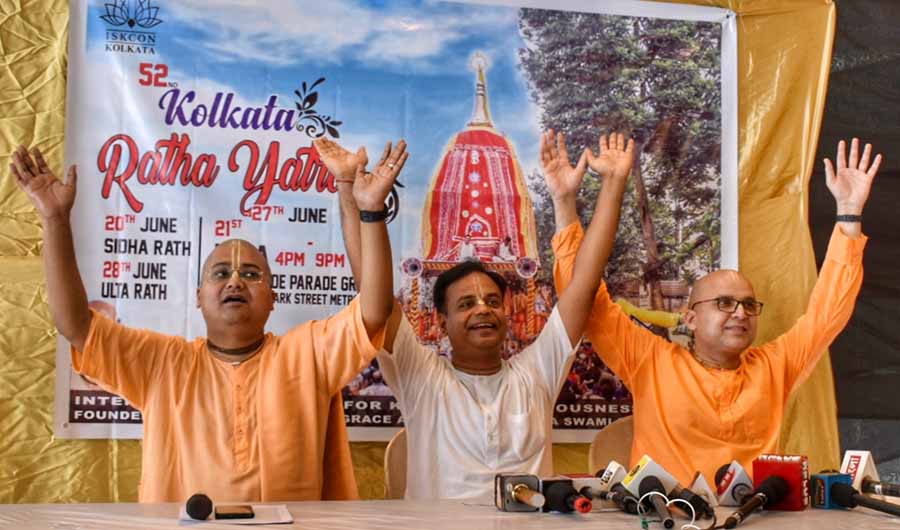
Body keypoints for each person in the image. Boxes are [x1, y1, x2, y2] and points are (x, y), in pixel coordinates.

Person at [8, 142, 407, 502]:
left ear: (273, 298)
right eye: (220, 274)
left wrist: (366, 207)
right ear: (199, 297)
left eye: (251, 274)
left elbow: (374, 310)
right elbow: (77, 327)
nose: (235, 281)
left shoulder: (307, 354)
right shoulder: (162, 363)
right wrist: (55, 220)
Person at [316, 130, 633, 499]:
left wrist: (613, 184)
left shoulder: (536, 373)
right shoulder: (421, 377)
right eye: (466, 304)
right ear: (441, 321)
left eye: (492, 301)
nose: (483, 308)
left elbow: (585, 282)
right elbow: (375, 296)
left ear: (507, 312)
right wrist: (362, 202)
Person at [552, 137, 881, 487]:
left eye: (749, 305)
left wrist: (849, 214)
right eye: (724, 303)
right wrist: (564, 203)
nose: (740, 313)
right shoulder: (650, 361)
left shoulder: (775, 367)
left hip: (753, 512)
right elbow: (587, 301)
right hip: (669, 512)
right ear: (691, 318)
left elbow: (827, 314)